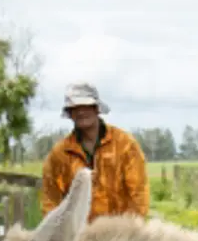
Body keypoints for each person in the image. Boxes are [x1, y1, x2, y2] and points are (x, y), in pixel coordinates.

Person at [41, 82, 150, 220]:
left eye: (86, 106)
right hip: (78, 236)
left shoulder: (125, 145)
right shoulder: (59, 155)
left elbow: (139, 195)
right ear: (69, 113)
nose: (81, 111)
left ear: (97, 108)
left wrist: (131, 231)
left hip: (120, 233)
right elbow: (50, 201)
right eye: (75, 108)